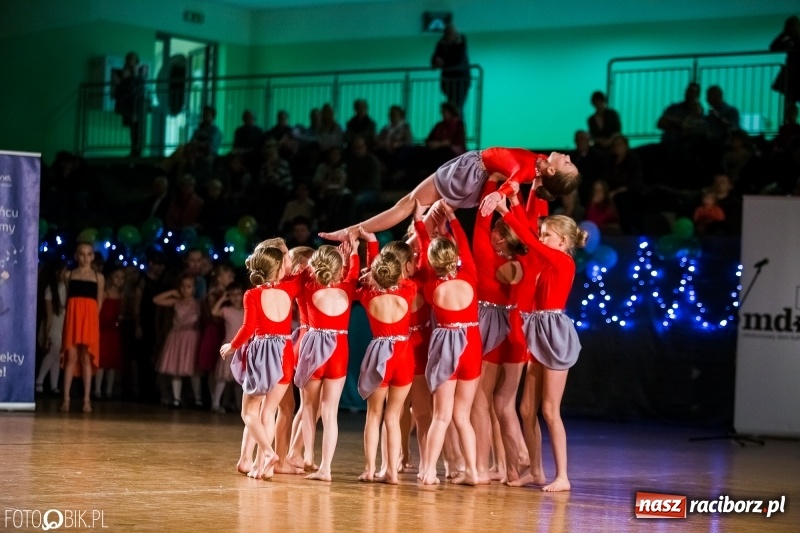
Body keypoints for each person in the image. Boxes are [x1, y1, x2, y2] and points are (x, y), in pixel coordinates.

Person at [496, 187, 587, 492]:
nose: (542, 238)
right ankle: (536, 471)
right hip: (537, 331)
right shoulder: (546, 261)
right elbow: (529, 236)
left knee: (549, 410)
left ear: (562, 242)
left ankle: (562, 476)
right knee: (525, 409)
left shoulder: (563, 262)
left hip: (555, 335)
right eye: (543, 234)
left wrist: (503, 209)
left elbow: (529, 239)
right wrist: (515, 200)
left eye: (548, 235)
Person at [319, 148, 581, 242]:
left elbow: (513, 183)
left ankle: (353, 230)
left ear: (550, 171)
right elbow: (528, 185)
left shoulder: (527, 169)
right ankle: (405, 248)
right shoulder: (537, 167)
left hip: (470, 172)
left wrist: (499, 195)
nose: (568, 157)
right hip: (473, 175)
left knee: (408, 204)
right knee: (426, 212)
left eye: (568, 164)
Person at [415, 201, 485, 486]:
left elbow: (421, 249)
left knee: (441, 416)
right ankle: (473, 472)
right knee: (462, 416)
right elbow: (465, 246)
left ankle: (430, 470)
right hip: (471, 344)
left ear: (433, 262)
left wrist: (421, 221)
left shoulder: (431, 283)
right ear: (455, 257)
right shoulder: (469, 273)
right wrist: (453, 219)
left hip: (447, 345)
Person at [220, 245, 300, 481]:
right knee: (269, 412)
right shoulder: (289, 288)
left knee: (249, 412)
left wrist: (232, 346)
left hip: (264, 353)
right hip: (285, 352)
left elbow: (247, 329)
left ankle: (268, 452)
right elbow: (298, 273)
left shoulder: (252, 294)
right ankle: (262, 466)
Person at [471, 177, 531, 484]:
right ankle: (510, 465)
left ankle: (480, 466)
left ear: (500, 239)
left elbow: (480, 223)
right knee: (504, 403)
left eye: (497, 229)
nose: (492, 230)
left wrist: (491, 182)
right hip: (518, 331)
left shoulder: (485, 256)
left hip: (489, 329)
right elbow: (528, 230)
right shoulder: (526, 260)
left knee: (481, 400)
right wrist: (513, 204)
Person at [294, 236, 360, 481]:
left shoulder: (309, 287)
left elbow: (301, 275)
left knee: (309, 408)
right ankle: (326, 469)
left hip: (313, 351)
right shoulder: (348, 287)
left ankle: (308, 455)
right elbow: (353, 272)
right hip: (338, 352)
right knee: (330, 412)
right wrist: (352, 253)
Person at [356, 231, 416, 484]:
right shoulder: (409, 290)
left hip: (381, 354)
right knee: (393, 416)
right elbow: (401, 277)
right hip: (404, 355)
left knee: (374, 415)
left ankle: (370, 469)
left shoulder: (367, 295)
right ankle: (391, 471)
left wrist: (371, 244)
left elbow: (365, 279)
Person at [60, 242, 105, 413]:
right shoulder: (69, 275)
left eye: (89, 254)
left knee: (87, 358)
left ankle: (87, 400)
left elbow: (99, 301)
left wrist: (92, 319)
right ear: (76, 256)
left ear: (93, 256)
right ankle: (66, 399)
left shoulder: (98, 277)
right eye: (82, 254)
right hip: (73, 319)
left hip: (90, 320)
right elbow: (69, 300)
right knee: (71, 356)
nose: (85, 258)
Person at [154, 274, 201, 408]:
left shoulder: (198, 303)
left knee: (193, 369)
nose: (186, 290)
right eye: (183, 287)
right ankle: (176, 398)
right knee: (176, 367)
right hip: (177, 336)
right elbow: (156, 300)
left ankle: (198, 398)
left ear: (194, 288)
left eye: (189, 287)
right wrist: (172, 293)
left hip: (192, 337)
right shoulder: (176, 302)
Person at [36, 259, 67, 395]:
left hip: (61, 324)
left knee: (56, 355)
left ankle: (54, 385)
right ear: (57, 273)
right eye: (64, 271)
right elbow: (49, 315)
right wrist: (47, 334)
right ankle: (39, 381)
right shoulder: (50, 290)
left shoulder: (64, 287)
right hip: (54, 325)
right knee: (52, 352)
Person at [95, 265, 125, 400]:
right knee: (102, 361)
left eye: (122, 278)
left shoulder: (121, 295)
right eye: (116, 277)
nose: (119, 280)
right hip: (103, 330)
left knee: (112, 362)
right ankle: (97, 390)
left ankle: (109, 390)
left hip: (114, 331)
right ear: (111, 278)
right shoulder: (105, 293)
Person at [431, 24, 471, 113]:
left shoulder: (460, 43)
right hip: (448, 81)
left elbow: (457, 60)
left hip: (460, 81)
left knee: (457, 107)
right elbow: (434, 58)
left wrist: (442, 63)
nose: (448, 36)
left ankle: (458, 125)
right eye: (447, 34)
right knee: (452, 106)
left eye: (450, 34)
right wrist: (436, 61)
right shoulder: (441, 44)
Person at [112, 51, 146, 157]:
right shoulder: (124, 71)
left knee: (138, 127)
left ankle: (138, 150)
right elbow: (120, 87)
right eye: (128, 59)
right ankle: (134, 149)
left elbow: (140, 84)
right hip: (129, 104)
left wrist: (130, 77)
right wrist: (124, 79)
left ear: (136, 60)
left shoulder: (141, 69)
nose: (130, 61)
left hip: (138, 104)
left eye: (132, 59)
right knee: (132, 127)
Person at [770, 15, 800, 105]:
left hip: (794, 73)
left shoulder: (792, 40)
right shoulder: (789, 40)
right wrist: (783, 34)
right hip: (791, 73)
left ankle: (789, 116)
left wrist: (784, 35)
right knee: (789, 101)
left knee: (790, 100)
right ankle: (789, 117)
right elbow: (773, 47)